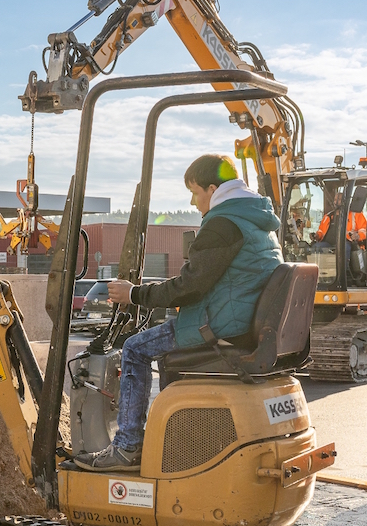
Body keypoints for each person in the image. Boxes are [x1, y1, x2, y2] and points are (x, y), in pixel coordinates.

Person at [74, 154, 283, 472]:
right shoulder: (258, 221)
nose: (193, 200)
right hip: (243, 320)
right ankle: (178, 437)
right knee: (160, 350)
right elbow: (212, 281)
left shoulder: (222, 223)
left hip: (221, 325)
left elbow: (191, 286)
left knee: (135, 348)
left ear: (212, 189)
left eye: (195, 191)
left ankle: (127, 446)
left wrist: (134, 294)